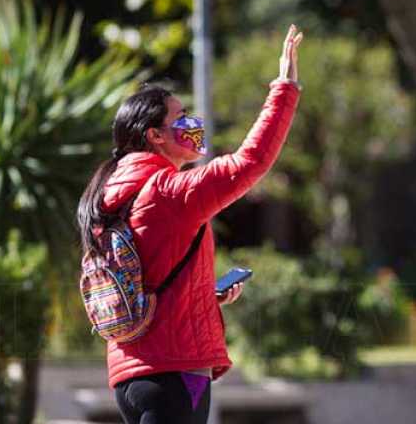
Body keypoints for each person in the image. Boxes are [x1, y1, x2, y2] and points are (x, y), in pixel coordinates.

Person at [76, 25, 303, 424]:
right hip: (175, 373)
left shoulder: (110, 194)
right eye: (181, 117)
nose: (192, 124)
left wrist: (205, 295)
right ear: (155, 136)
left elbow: (144, 278)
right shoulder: (167, 191)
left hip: (130, 377)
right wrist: (283, 88)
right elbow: (250, 163)